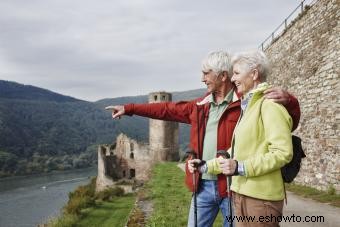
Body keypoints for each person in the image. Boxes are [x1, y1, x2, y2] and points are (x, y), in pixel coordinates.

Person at [105, 51, 300, 227]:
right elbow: (165, 109)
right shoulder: (200, 106)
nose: (202, 79)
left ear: (222, 76)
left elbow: (285, 123)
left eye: (206, 73)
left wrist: (289, 101)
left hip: (232, 186)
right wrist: (129, 108)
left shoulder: (246, 103)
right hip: (203, 184)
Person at [214, 50, 295, 227]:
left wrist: (240, 167)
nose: (233, 79)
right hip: (241, 194)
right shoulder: (249, 106)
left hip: (261, 200)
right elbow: (237, 151)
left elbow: (283, 153)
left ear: (254, 73)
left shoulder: (269, 105)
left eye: (236, 73)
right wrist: (205, 165)